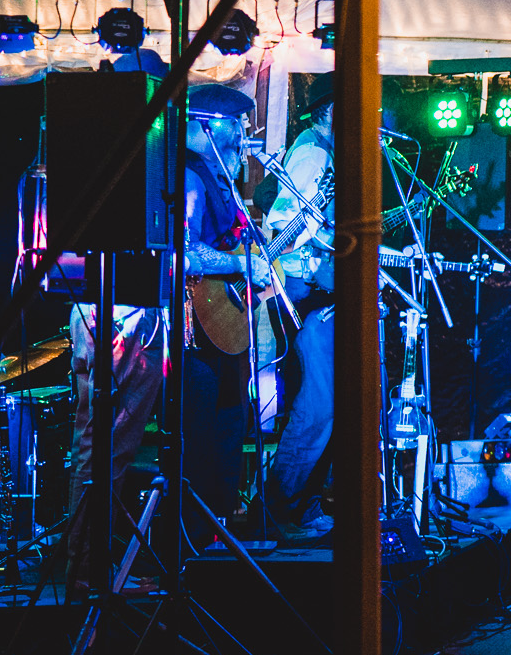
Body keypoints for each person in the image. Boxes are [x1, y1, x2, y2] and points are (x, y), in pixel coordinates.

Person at [67, 83, 258, 567]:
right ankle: (90, 565)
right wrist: (243, 267)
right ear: (211, 126)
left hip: (156, 320)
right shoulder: (184, 175)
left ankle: (118, 556)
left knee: (126, 441)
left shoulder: (203, 177)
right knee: (109, 442)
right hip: (132, 318)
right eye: (236, 128)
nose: (242, 138)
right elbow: (184, 252)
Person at [259, 102, 343, 540]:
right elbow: (284, 221)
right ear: (328, 112)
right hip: (302, 292)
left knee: (323, 406)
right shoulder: (315, 154)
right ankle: (282, 507)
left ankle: (303, 505)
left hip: (312, 289)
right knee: (317, 405)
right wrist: (324, 241)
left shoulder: (320, 151)